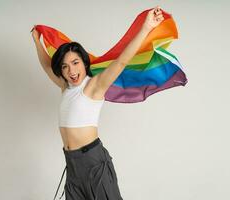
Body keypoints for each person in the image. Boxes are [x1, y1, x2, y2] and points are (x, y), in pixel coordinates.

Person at [31, 6, 164, 200]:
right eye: (65, 66)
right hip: (73, 166)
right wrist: (37, 41)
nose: (71, 70)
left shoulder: (94, 86)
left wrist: (146, 28)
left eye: (75, 63)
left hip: (94, 163)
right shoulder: (65, 87)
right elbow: (46, 65)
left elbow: (121, 62)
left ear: (85, 63)